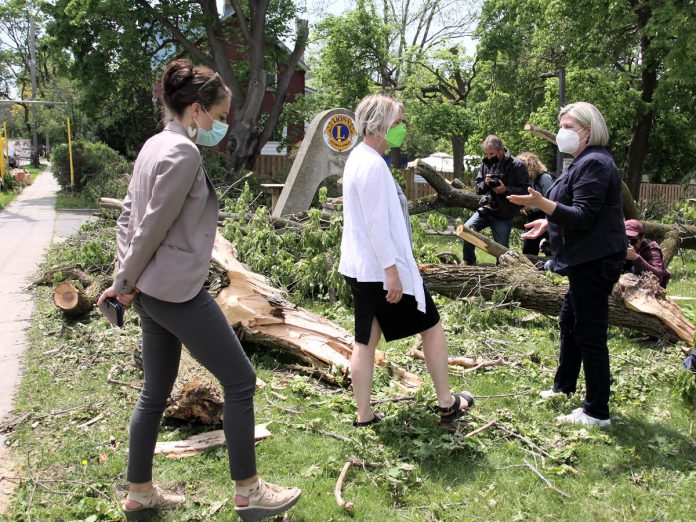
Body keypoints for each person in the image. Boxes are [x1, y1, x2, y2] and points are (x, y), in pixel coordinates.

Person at [97, 59, 301, 522]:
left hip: (150, 290)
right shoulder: (182, 153)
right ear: (194, 109)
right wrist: (124, 285)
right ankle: (249, 493)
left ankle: (139, 493)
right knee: (241, 380)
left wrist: (123, 279)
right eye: (219, 115)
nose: (221, 125)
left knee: (154, 391)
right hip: (173, 290)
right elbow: (150, 225)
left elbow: (127, 218)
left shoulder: (153, 146)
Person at [339, 93, 474, 426]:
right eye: (398, 122)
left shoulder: (361, 157)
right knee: (431, 326)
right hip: (380, 270)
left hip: (360, 268)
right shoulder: (370, 165)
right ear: (379, 124)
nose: (402, 127)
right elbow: (376, 225)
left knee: (365, 341)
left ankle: (364, 415)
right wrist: (392, 273)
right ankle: (447, 404)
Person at [507, 102, 626, 427]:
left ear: (588, 130)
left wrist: (542, 204)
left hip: (595, 260)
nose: (562, 132)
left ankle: (597, 411)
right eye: (562, 125)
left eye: (569, 126)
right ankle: (564, 387)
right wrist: (548, 222)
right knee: (570, 322)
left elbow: (585, 216)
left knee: (589, 332)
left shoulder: (596, 163)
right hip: (582, 259)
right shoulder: (582, 162)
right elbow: (574, 208)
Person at [462, 135, 529, 265]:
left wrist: (506, 190)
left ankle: (502, 275)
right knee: (467, 231)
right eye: (486, 153)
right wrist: (486, 183)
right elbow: (478, 189)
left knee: (502, 250)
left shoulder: (517, 165)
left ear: (501, 150)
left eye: (491, 153)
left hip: (504, 213)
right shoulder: (485, 164)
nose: (489, 157)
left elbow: (525, 190)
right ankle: (469, 265)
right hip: (487, 208)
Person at [517, 152, 553, 256]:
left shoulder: (544, 178)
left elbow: (550, 200)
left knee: (550, 249)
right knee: (528, 250)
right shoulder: (527, 180)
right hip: (532, 216)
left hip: (545, 216)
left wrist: (532, 206)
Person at [623, 218, 671, 288]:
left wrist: (636, 258)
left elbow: (658, 276)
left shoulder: (651, 249)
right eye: (625, 238)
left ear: (642, 237)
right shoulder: (617, 247)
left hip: (651, 291)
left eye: (632, 239)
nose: (628, 242)